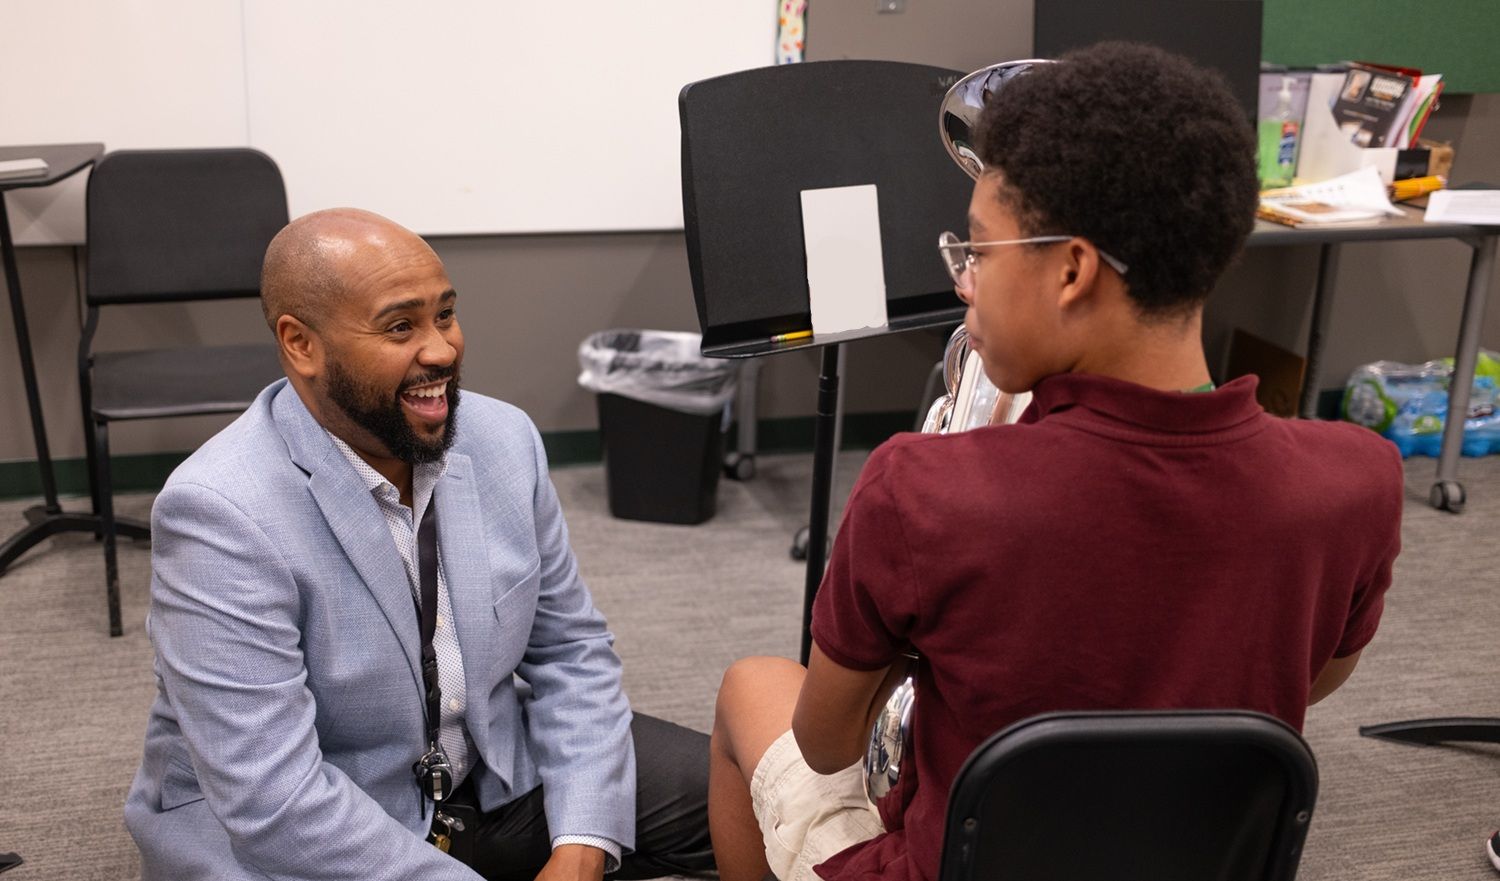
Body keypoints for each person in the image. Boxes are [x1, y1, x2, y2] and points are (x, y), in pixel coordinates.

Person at [707, 42, 1404, 881]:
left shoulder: (920, 493)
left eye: (977, 250)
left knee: (750, 688)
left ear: (1071, 269)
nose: (966, 282)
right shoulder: (1359, 478)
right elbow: (1311, 681)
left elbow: (825, 745)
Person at [124, 208, 714, 881]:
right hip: (323, 823)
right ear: (300, 344)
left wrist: (581, 844)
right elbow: (275, 801)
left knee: (760, 797)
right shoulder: (220, 511)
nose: (441, 349)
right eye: (401, 325)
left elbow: (572, 653)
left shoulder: (502, 439)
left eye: (446, 314)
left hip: (493, 772)